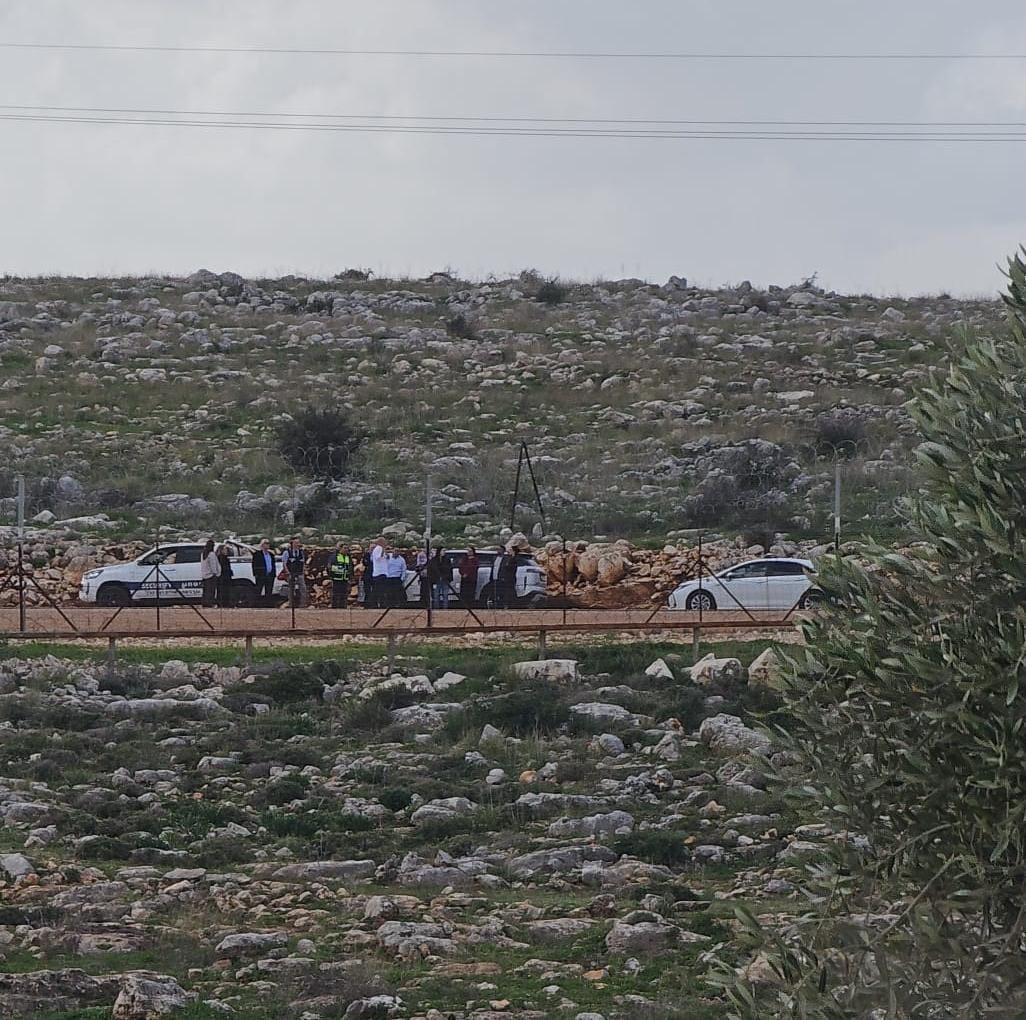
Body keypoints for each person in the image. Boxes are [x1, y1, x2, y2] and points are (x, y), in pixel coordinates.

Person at [282, 536, 308, 609]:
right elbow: (284, 563)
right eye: (295, 543)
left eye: (298, 542)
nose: (297, 544)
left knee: (303, 589)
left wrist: (303, 571)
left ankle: (302, 604)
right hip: (291, 573)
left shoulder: (301, 552)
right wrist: (287, 573)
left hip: (299, 573)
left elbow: (303, 562)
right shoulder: (287, 552)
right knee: (291, 590)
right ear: (292, 543)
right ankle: (291, 604)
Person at [328, 542, 353, 608]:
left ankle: (343, 607)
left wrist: (350, 576)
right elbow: (330, 567)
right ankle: (334, 607)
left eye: (347, 548)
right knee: (336, 595)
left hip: (345, 579)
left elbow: (351, 567)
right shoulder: (335, 556)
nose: (346, 550)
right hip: (337, 579)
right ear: (340, 549)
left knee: (344, 595)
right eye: (344, 548)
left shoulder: (348, 557)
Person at [251, 539, 276, 607]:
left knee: (269, 591)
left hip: (270, 575)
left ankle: (268, 604)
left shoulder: (271, 554)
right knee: (258, 590)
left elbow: (273, 564)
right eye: (265, 543)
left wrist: (273, 574)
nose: (267, 545)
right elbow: (254, 565)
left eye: (268, 543)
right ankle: (256, 605)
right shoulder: (257, 554)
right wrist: (256, 574)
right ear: (262, 545)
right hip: (260, 575)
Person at [200, 539, 220, 608]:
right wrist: (215, 573)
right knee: (211, 591)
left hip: (205, 575)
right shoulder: (211, 554)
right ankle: (210, 603)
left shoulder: (203, 553)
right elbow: (213, 565)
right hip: (211, 575)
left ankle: (205, 603)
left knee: (206, 590)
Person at [370, 538, 388, 607]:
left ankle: (380, 604)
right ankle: (377, 604)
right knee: (379, 590)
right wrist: (383, 550)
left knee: (380, 590)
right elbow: (378, 557)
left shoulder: (381, 549)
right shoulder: (379, 548)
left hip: (382, 572)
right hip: (379, 573)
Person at [215, 544, 234, 608]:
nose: (226, 551)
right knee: (222, 590)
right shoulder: (220, 558)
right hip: (223, 576)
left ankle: (226, 603)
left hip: (226, 576)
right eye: (225, 549)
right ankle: (222, 603)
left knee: (226, 590)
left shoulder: (225, 558)